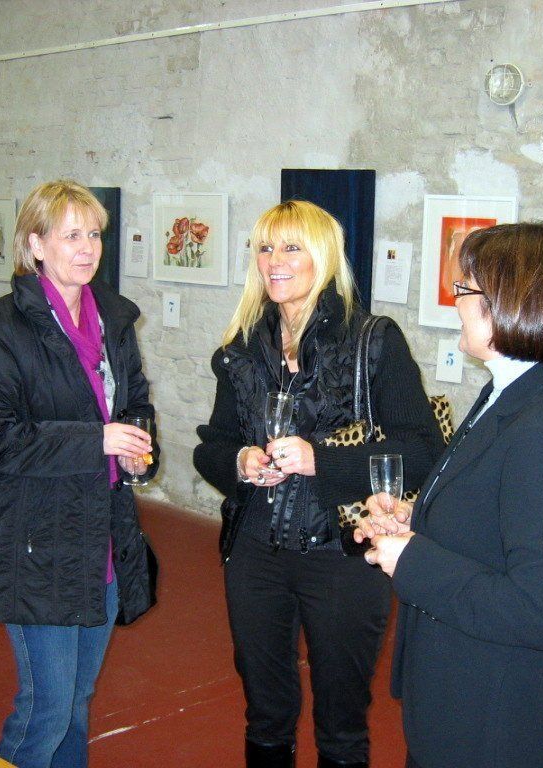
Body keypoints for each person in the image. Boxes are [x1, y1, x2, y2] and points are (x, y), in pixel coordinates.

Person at [193, 200, 443, 768]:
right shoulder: (241, 347)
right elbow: (211, 446)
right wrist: (240, 461)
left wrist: (321, 460)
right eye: (265, 247)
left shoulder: (373, 341)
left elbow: (424, 451)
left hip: (342, 555)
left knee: (341, 718)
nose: (274, 261)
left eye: (291, 247)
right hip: (255, 551)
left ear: (324, 257)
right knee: (264, 710)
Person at [357, 221, 543, 768]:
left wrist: (412, 559)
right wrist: (416, 520)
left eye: (463, 290)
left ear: (508, 304)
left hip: (498, 720)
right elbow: (493, 515)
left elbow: (540, 610)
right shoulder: (513, 393)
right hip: (464, 692)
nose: (456, 304)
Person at [0, 180, 158, 768]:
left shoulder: (113, 318)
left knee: (77, 699)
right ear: (35, 245)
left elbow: (135, 402)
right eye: (71, 235)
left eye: (94, 234)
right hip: (37, 538)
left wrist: (136, 448)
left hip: (103, 536)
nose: (87, 248)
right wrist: (97, 441)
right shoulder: (2, 327)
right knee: (45, 707)